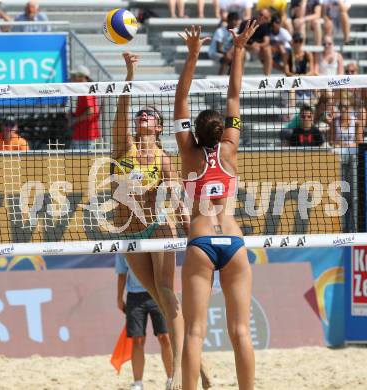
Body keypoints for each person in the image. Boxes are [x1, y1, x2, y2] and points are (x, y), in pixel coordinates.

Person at [111, 52, 211, 390]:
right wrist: (130, 73)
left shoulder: (164, 158)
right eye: (141, 114)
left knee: (167, 294)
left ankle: (184, 375)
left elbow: (177, 194)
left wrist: (187, 224)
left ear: (159, 127)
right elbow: (122, 109)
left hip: (157, 229)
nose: (142, 116)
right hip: (130, 233)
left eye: (150, 115)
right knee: (160, 298)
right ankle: (201, 367)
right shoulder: (122, 147)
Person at [174, 22, 258, 389]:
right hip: (234, 243)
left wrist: (193, 56)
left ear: (194, 132)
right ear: (223, 131)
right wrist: (238, 50)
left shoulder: (188, 154)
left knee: (194, 332)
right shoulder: (230, 149)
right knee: (240, 331)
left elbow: (180, 99)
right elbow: (235, 97)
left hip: (202, 242)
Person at [116, 255, 173, 390]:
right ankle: (138, 383)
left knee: (164, 337)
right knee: (137, 340)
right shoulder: (123, 246)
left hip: (157, 292)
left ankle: (171, 378)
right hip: (134, 296)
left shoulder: (153, 237)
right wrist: (119, 298)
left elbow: (166, 268)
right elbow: (122, 273)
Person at [70, 65, 100, 150]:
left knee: (85, 161)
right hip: (83, 134)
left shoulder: (86, 89)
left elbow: (91, 111)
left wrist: (75, 120)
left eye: (74, 76)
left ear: (82, 77)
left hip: (86, 135)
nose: (71, 78)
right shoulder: (84, 89)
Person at [240, 8, 272, 75]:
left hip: (258, 50)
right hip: (247, 49)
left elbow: (267, 42)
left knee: (268, 49)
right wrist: (251, 46)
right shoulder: (245, 24)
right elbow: (239, 42)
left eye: (265, 17)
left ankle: (267, 76)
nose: (262, 18)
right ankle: (239, 76)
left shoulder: (266, 26)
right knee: (241, 50)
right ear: (257, 14)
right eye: (261, 15)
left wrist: (257, 45)